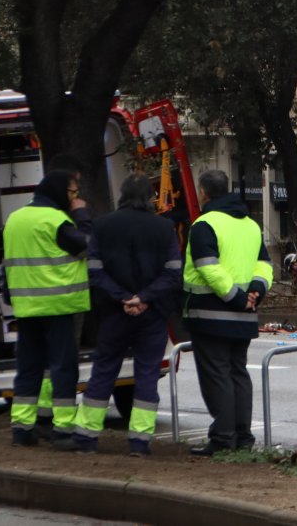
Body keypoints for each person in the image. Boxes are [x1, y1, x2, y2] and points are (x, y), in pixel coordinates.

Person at [67, 174, 182, 456]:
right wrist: (143, 298)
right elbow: (173, 273)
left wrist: (122, 298)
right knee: (146, 373)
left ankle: (86, 437)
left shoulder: (102, 226)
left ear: (122, 194)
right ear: (149, 197)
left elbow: (94, 271)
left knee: (104, 370)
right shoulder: (164, 228)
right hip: (152, 314)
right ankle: (140, 441)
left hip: (114, 313)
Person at [182, 169, 272, 456]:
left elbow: (208, 266)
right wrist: (254, 292)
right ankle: (242, 436)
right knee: (238, 374)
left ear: (204, 193)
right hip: (244, 316)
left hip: (211, 316)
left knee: (216, 376)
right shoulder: (250, 225)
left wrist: (236, 298)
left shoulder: (204, 224)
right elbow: (264, 265)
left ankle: (223, 438)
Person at [4, 169, 91, 448]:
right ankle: (63, 430)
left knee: (29, 368)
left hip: (27, 307)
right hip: (58, 305)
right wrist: (82, 216)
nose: (75, 198)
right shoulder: (56, 220)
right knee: (63, 368)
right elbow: (89, 246)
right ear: (59, 191)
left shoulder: (15, 219)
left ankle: (22, 429)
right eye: (73, 192)